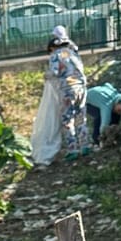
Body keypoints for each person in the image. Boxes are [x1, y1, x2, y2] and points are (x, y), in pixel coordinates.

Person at [47, 26, 89, 159]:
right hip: (81, 87)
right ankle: (85, 146)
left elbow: (54, 72)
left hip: (67, 89)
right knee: (81, 118)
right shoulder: (73, 52)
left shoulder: (56, 55)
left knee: (67, 119)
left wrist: (46, 76)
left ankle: (73, 150)